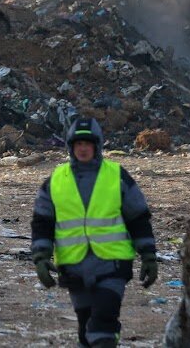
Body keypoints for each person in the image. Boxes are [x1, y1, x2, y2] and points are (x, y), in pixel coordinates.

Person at [30, 116, 159, 348]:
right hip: (74, 266)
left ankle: (108, 336)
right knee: (85, 330)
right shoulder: (55, 181)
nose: (83, 148)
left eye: (87, 143)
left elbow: (138, 217)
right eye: (78, 143)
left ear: (97, 145)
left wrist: (148, 254)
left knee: (101, 326)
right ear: (70, 146)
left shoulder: (117, 176)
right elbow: (42, 222)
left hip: (113, 264)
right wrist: (40, 256)